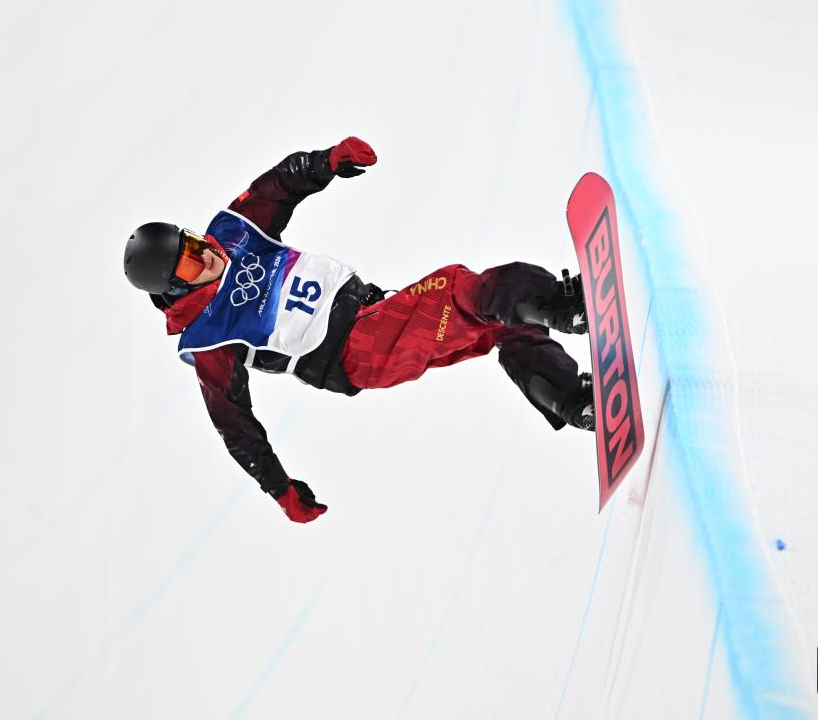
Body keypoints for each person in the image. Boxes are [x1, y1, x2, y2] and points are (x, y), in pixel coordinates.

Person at [123, 137, 594, 524]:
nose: (205, 255)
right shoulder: (209, 336)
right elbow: (234, 425)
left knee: (496, 320)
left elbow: (278, 185)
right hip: (354, 351)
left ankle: (573, 400)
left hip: (374, 309)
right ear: (175, 287)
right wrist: (280, 489)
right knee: (458, 288)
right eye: (189, 262)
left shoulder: (232, 234)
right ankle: (564, 307)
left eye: (192, 242)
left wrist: (326, 162)